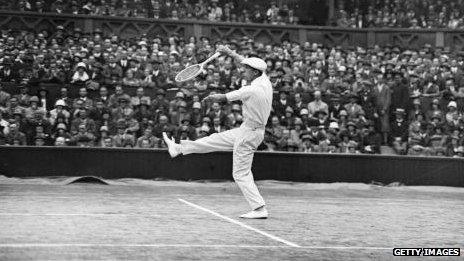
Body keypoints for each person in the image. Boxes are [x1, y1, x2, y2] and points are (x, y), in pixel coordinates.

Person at [163, 45, 271, 219]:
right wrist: (229, 52)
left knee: (240, 173)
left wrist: (212, 96)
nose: (244, 71)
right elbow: (242, 60)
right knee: (214, 139)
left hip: (250, 134)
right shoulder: (264, 79)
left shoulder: (251, 90)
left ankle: (259, 208)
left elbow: (222, 98)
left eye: (247, 70)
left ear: (255, 73)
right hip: (247, 129)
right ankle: (179, 149)